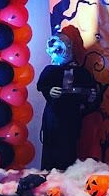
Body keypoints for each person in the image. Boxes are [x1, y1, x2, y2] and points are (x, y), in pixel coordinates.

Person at [37, 33, 103, 170]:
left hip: (72, 115)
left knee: (69, 147)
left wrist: (87, 100)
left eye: (59, 49)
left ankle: (67, 174)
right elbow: (43, 86)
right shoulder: (50, 70)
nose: (55, 52)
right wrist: (49, 91)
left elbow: (91, 93)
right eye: (53, 50)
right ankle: (49, 175)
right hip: (53, 116)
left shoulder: (81, 72)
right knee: (51, 147)